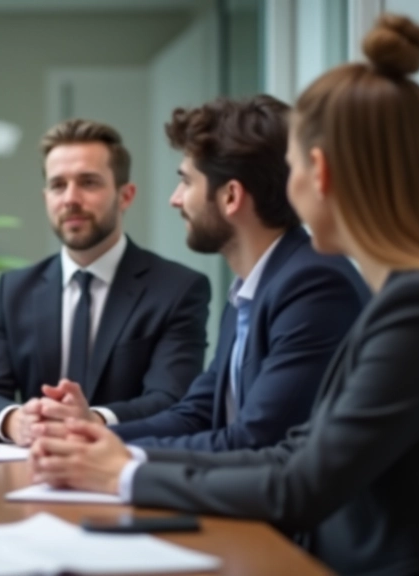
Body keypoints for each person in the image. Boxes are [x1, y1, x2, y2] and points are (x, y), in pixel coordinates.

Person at [29, 14, 419, 575]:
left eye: (295, 168)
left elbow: (299, 480)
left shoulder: (418, 306)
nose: (289, 188)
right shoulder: (406, 296)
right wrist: (103, 445)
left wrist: (122, 469)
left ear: (319, 172)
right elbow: (285, 449)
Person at [45, 95, 368, 452]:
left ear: (231, 196)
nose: (175, 199)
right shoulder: (251, 288)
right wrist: (88, 435)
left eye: (186, 182)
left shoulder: (313, 287)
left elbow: (255, 441)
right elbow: (196, 413)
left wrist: (118, 460)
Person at [0, 119, 211, 445]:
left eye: (88, 183)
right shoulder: (14, 290)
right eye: (57, 185)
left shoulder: (177, 289)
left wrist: (93, 419)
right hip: (29, 474)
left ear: (125, 196)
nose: (70, 198)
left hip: (127, 472)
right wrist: (14, 421)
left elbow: (171, 399)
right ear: (45, 197)